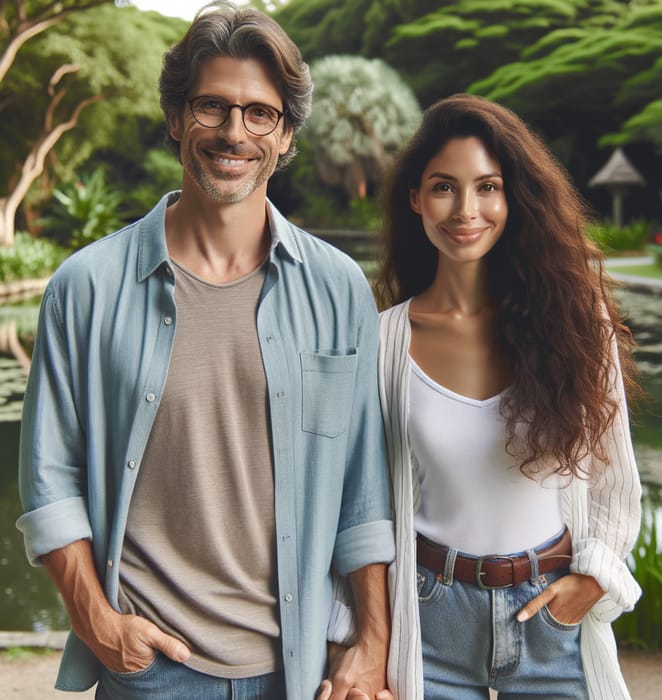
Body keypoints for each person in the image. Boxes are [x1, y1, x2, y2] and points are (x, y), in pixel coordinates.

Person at [16, 3, 395, 699]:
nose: (233, 132)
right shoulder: (85, 287)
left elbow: (363, 494)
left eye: (260, 114)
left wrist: (372, 644)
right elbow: (49, 482)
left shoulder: (340, 289)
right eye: (211, 106)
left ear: (285, 137)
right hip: (152, 668)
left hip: (300, 667)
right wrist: (96, 622)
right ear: (174, 117)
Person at [374, 94, 642, 700]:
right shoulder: (384, 341)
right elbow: (363, 503)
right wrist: (357, 634)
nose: (466, 210)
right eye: (444, 187)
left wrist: (594, 580)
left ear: (512, 197)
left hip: (551, 617)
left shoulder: (575, 322)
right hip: (428, 620)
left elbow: (614, 478)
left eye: (487, 187)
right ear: (415, 198)